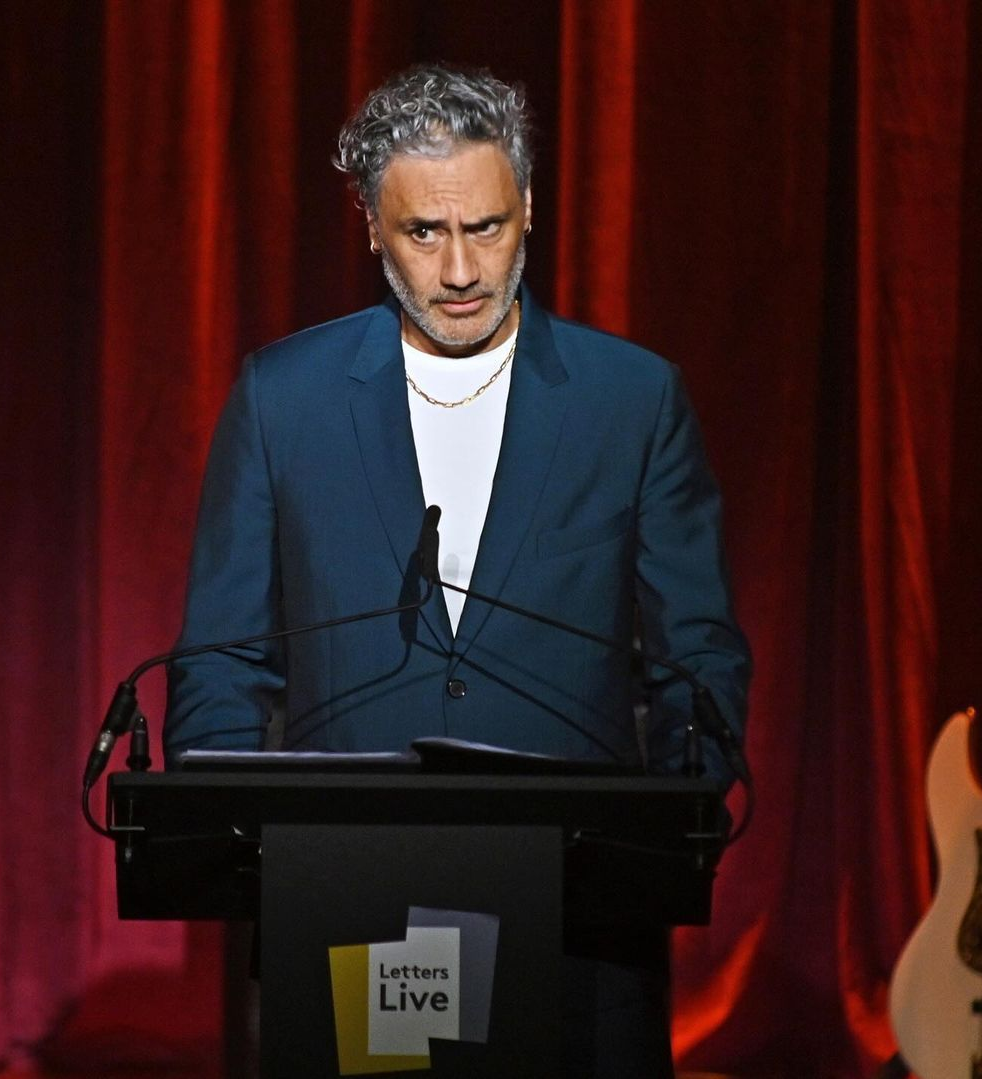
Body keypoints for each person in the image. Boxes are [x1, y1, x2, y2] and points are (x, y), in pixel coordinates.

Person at [164, 64, 751, 1077]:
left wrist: (665, 839)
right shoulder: (283, 399)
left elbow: (698, 657)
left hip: (582, 919)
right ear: (370, 227)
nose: (462, 267)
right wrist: (252, 852)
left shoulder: (633, 399)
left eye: (488, 227)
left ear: (530, 210)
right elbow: (219, 664)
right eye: (423, 234)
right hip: (345, 900)